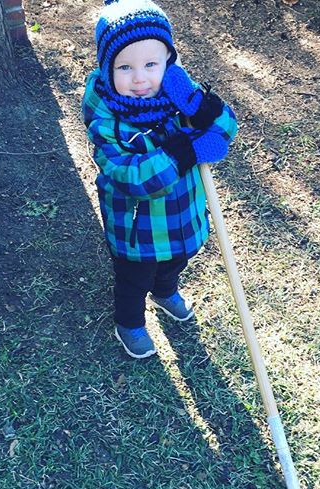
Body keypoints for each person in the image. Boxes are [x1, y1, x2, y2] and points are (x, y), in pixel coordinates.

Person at [82, 0, 238, 358]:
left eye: (151, 64)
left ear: (168, 62)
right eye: (125, 67)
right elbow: (131, 177)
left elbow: (226, 128)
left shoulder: (178, 93)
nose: (140, 78)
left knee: (176, 260)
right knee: (134, 280)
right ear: (107, 70)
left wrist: (203, 108)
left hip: (183, 214)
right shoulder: (108, 123)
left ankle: (166, 291)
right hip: (138, 228)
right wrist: (184, 152)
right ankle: (130, 323)